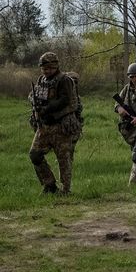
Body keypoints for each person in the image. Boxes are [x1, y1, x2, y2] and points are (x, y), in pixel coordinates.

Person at [28, 52, 81, 195]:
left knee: (64, 159)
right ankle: (49, 185)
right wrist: (34, 102)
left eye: (51, 68)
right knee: (35, 155)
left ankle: (65, 191)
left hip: (61, 125)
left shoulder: (64, 80)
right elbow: (35, 95)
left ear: (56, 66)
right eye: (45, 68)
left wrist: (47, 108)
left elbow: (65, 100)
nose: (47, 71)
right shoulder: (41, 80)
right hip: (44, 126)